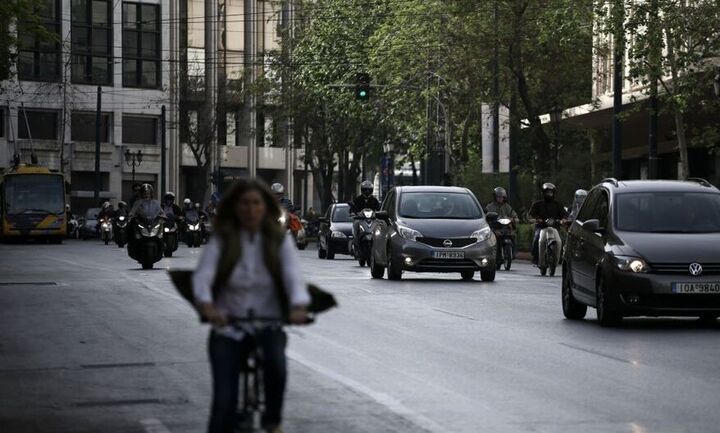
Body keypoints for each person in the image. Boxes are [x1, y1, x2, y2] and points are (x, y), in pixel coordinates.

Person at [192, 179, 310, 433]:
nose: (250, 209)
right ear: (235, 207)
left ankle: (272, 421)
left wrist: (298, 306)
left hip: (267, 323)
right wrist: (208, 306)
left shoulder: (278, 240)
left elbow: (293, 278)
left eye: (256, 203)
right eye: (244, 203)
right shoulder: (222, 240)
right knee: (224, 400)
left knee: (277, 367)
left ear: (265, 207)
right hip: (228, 327)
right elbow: (203, 277)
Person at [528, 183, 568, 265]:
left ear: (554, 193)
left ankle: (561, 258)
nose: (549, 194)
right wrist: (536, 219)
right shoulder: (537, 204)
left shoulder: (558, 205)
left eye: (551, 192)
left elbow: (564, 214)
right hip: (541, 227)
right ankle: (535, 258)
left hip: (555, 228)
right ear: (543, 193)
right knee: (537, 238)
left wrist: (563, 220)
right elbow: (531, 214)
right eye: (547, 192)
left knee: (562, 240)